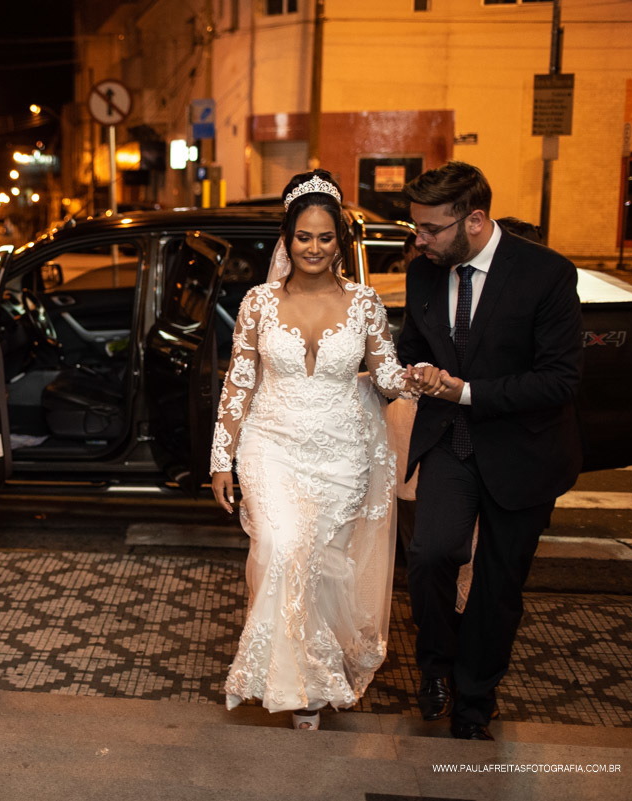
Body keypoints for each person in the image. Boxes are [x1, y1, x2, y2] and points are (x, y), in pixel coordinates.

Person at [211, 170, 408, 730]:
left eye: (325, 237)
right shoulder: (258, 303)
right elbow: (238, 383)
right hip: (270, 442)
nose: (314, 248)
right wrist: (220, 459)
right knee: (279, 544)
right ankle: (296, 682)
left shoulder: (366, 304)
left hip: (342, 454)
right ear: (287, 239)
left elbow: (386, 375)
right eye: (304, 237)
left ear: (339, 241)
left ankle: (309, 683)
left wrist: (413, 378)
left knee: (318, 564)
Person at [398, 161, 582, 741]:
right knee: (429, 556)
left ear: (473, 220)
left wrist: (468, 390)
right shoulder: (423, 273)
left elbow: (559, 379)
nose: (418, 240)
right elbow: (411, 344)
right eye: (416, 228)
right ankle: (437, 667)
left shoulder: (546, 274)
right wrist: (416, 372)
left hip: (524, 452)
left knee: (498, 586)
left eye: (430, 229)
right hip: (450, 445)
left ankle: (474, 702)